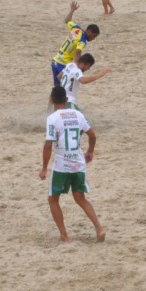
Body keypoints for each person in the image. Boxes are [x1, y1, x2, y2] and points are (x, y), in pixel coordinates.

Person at [40, 85, 106, 243]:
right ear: (66, 99)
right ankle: (99, 228)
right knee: (80, 198)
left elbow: (48, 145)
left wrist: (44, 167)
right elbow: (92, 136)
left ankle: (64, 235)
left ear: (53, 100)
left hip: (62, 163)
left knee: (53, 199)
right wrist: (90, 151)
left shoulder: (52, 118)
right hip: (78, 162)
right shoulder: (78, 115)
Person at [51, 1, 100, 86]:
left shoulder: (76, 28)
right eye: (93, 36)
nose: (93, 39)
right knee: (63, 90)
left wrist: (72, 10)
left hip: (55, 61)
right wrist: (77, 66)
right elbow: (78, 51)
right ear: (89, 31)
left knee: (57, 89)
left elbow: (67, 20)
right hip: (63, 64)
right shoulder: (83, 40)